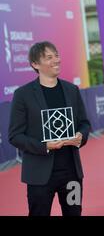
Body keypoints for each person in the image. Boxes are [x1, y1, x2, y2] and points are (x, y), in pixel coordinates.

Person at [8, 41, 90, 216]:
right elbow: (15, 136)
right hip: (39, 176)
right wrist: (45, 145)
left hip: (71, 173)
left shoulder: (71, 90)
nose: (56, 60)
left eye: (57, 56)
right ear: (35, 64)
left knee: (74, 213)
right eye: (49, 57)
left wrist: (80, 137)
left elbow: (84, 123)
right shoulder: (23, 95)